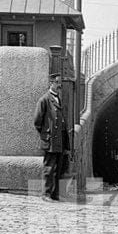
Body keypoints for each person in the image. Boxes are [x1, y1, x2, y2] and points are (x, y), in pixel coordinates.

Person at [33, 73, 70, 202]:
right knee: (49, 168)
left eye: (60, 83)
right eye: (57, 83)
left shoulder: (58, 98)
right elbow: (37, 121)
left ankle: (55, 194)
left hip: (59, 139)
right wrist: (46, 135)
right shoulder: (44, 100)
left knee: (58, 168)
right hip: (50, 140)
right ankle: (46, 194)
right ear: (51, 83)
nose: (59, 85)